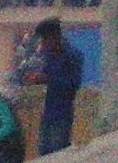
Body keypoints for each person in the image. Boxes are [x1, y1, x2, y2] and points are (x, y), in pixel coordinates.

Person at [32, 18, 85, 155]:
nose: (43, 44)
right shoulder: (49, 56)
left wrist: (49, 79)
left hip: (62, 112)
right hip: (48, 111)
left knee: (58, 152)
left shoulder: (72, 56)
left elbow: (73, 84)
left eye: (45, 40)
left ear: (54, 37)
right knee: (43, 151)